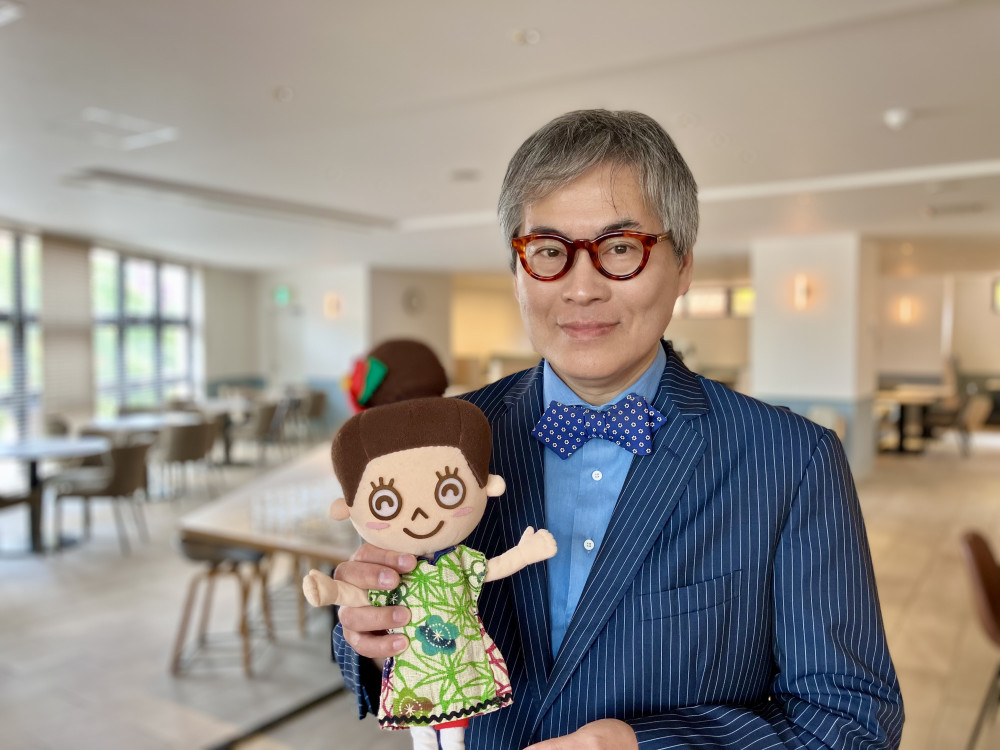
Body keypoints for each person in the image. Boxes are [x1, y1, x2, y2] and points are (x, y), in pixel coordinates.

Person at [331, 109, 904, 749]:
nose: (581, 289)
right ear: (518, 272)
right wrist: (364, 630)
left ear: (683, 265)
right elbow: (387, 623)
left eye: (621, 248)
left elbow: (850, 722)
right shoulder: (443, 439)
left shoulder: (792, 460)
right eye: (549, 251)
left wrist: (640, 746)